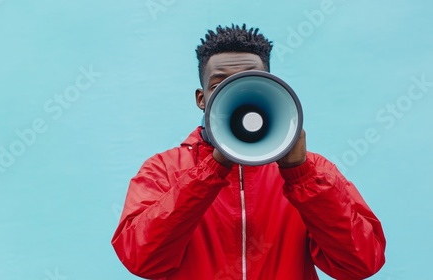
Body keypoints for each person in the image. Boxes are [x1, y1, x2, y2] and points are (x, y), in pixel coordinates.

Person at [111, 24, 386, 280]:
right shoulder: (163, 170)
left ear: (270, 87)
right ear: (201, 98)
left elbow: (361, 263)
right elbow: (141, 258)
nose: (235, 94)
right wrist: (213, 168)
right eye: (220, 86)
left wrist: (301, 176)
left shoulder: (313, 172)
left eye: (248, 81)